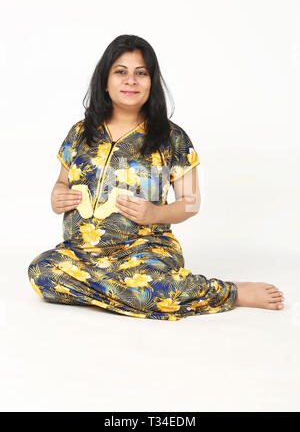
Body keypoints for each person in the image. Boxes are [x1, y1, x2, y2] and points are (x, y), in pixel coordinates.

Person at [27, 34, 284, 321]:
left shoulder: (171, 138)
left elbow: (190, 203)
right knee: (41, 271)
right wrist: (56, 195)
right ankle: (125, 296)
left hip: (144, 254)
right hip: (82, 255)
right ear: (105, 81)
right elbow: (62, 182)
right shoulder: (80, 133)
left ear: (152, 82)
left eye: (141, 73)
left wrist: (154, 213)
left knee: (152, 289)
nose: (131, 81)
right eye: (120, 72)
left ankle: (232, 292)